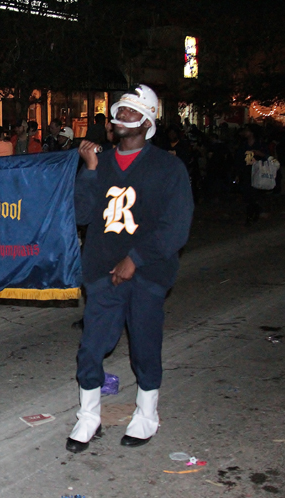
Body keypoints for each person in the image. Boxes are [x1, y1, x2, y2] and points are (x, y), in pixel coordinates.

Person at [66, 84, 193, 453]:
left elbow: (176, 227)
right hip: (102, 271)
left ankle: (147, 415)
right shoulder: (101, 162)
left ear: (147, 122)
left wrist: (135, 259)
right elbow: (81, 215)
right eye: (120, 110)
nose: (121, 115)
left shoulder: (168, 167)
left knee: (144, 345)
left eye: (131, 111)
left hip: (148, 273)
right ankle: (88, 416)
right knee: (92, 347)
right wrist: (90, 172)